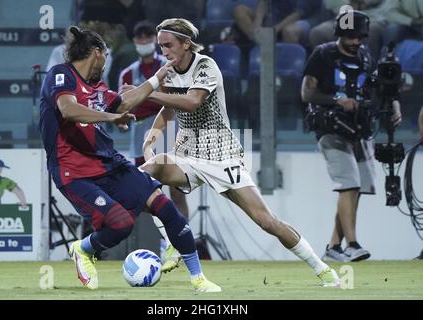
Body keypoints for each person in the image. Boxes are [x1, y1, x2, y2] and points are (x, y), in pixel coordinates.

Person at [140, 18, 340, 287]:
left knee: (266, 222)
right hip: (186, 151)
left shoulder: (205, 66)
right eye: (160, 46)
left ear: (186, 43)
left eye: (168, 45)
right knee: (142, 177)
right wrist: (150, 141)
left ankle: (322, 268)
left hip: (220, 154)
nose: (163, 51)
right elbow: (169, 110)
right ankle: (174, 241)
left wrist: (148, 92)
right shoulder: (169, 72)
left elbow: (191, 101)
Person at [39, 25, 220, 292]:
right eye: (106, 55)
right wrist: (111, 118)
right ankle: (82, 249)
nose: (107, 62)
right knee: (121, 224)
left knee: (164, 205)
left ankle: (198, 278)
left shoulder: (97, 87)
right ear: (96, 52)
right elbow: (68, 109)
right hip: (73, 170)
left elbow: (123, 103)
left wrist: (157, 78)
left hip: (109, 163)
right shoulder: (61, 75)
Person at [301, 10, 402, 262]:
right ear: (339, 34)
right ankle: (352, 244)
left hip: (359, 129)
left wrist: (394, 103)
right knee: (349, 184)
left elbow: (377, 87)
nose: (356, 41)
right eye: (350, 36)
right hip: (331, 128)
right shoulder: (323, 54)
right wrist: (336, 100)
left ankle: (334, 246)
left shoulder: (366, 56)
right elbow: (307, 93)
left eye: (359, 36)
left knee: (355, 188)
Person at [118, 20, 189, 270]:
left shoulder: (167, 65)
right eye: (140, 37)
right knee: (146, 193)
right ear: (134, 40)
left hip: (169, 130)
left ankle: (181, 241)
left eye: (149, 37)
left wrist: (140, 95)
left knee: (176, 192)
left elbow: (170, 101)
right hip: (140, 136)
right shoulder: (127, 72)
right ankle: (165, 244)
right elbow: (123, 105)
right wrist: (144, 99)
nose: (144, 42)